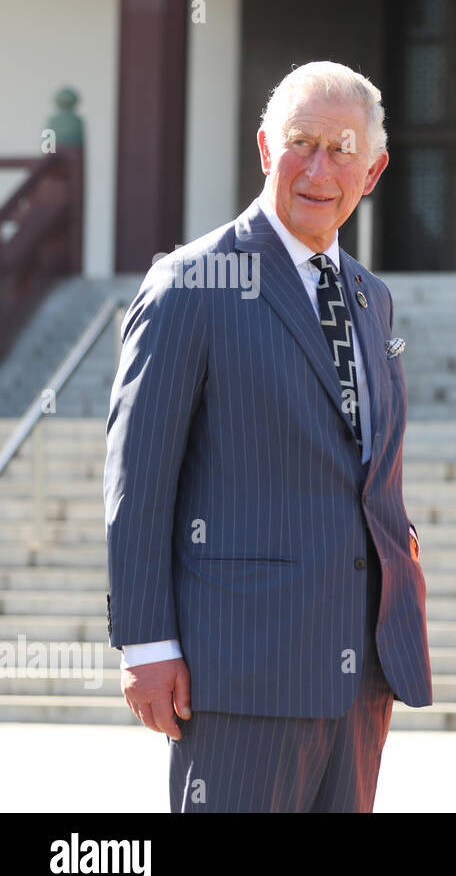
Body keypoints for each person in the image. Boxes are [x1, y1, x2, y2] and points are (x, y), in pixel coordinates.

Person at [104, 61, 431, 812]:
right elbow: (138, 478)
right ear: (264, 149)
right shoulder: (193, 282)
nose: (320, 168)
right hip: (239, 672)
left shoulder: (370, 299)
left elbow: (368, 475)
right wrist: (147, 644)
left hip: (359, 675)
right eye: (301, 142)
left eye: (343, 149)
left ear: (373, 170)